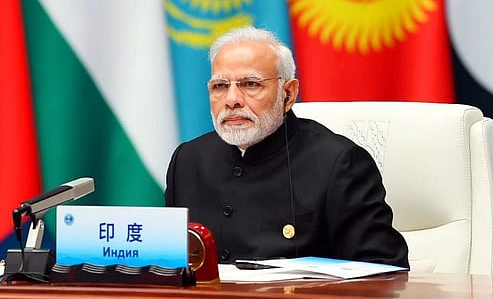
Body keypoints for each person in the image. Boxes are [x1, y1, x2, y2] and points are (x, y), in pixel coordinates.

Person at [164, 25, 409, 268]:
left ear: (288, 94)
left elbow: (384, 272)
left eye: (250, 84)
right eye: (220, 86)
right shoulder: (188, 160)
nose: (232, 100)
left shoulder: (339, 163)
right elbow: (167, 265)